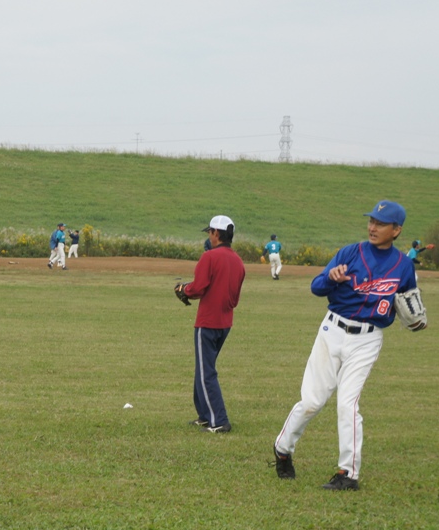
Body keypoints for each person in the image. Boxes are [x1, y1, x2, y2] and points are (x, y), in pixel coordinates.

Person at [272, 200, 422, 491]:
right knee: (312, 402)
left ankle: (348, 474)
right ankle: (282, 448)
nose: (372, 227)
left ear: (397, 230)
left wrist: (413, 318)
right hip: (332, 331)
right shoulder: (350, 252)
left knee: (347, 405)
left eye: (380, 223)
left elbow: (406, 303)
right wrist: (330, 277)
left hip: (367, 339)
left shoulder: (403, 266)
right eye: (371, 221)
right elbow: (316, 287)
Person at [176, 215, 245, 434]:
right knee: (204, 369)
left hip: (207, 322)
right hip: (225, 323)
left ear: (216, 233)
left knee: (206, 372)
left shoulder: (210, 257)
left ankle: (219, 421)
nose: (208, 235)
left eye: (209, 232)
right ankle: (205, 416)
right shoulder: (238, 261)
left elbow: (198, 288)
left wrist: (183, 290)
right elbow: (234, 297)